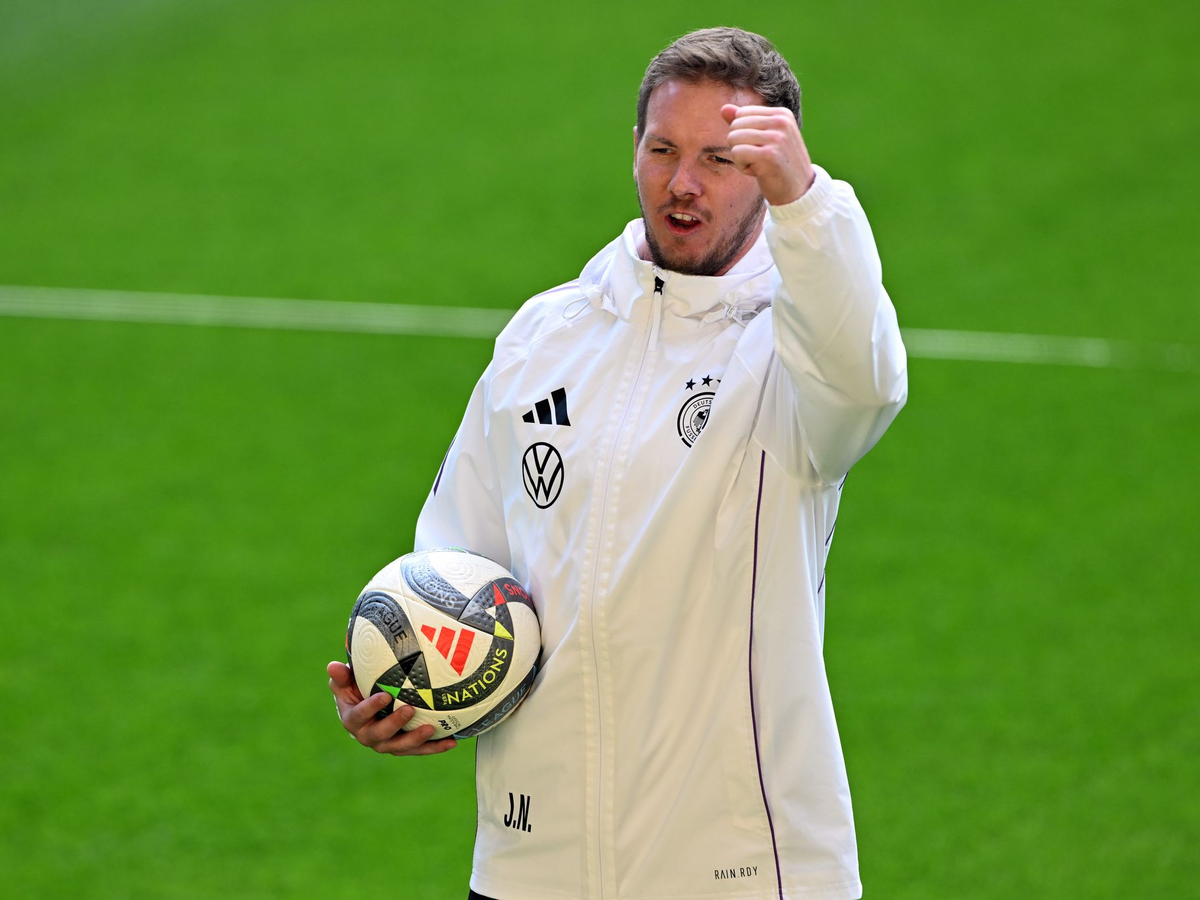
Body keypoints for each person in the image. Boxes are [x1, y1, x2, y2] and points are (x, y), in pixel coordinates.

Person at [329, 26, 907, 900]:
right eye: (663, 150)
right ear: (634, 147)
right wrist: (403, 686)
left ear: (769, 176)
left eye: (720, 159)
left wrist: (811, 207)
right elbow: (456, 566)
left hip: (740, 869)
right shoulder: (545, 335)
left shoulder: (791, 356)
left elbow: (866, 379)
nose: (683, 183)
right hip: (533, 865)